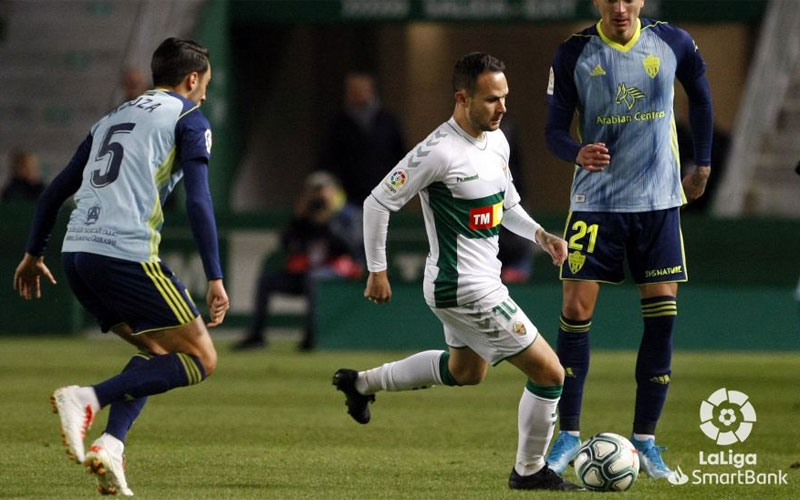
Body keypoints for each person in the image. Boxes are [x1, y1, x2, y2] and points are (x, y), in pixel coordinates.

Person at [332, 52, 580, 492]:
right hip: (464, 287)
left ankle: (361, 383)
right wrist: (377, 270)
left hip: (473, 283)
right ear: (462, 99)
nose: (502, 108)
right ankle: (529, 471)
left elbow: (508, 206)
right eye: (491, 100)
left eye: (504, 97)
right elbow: (377, 202)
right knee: (551, 374)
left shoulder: (497, 140)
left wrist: (541, 235)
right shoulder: (438, 151)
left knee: (467, 371)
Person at [13, 37, 228, 496]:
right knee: (202, 359)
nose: (205, 93)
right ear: (192, 79)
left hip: (77, 257)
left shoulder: (111, 118)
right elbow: (199, 199)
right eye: (205, 84)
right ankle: (87, 398)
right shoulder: (189, 117)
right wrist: (215, 275)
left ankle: (111, 444)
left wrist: (33, 253)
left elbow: (54, 192)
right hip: (126, 255)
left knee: (161, 354)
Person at [543, 0, 713, 480]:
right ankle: (569, 436)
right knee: (576, 313)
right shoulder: (572, 52)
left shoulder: (673, 41)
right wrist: (577, 151)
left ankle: (646, 441)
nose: (620, 7)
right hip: (595, 203)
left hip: (658, 203)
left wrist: (703, 161)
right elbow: (552, 131)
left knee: (661, 319)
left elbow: (700, 96)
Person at [234, 171, 362, 352]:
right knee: (268, 280)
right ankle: (256, 336)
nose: (318, 198)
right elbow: (286, 242)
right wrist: (298, 218)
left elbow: (352, 247)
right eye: (313, 192)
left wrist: (328, 220)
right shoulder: (306, 214)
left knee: (313, 279)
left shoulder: (347, 214)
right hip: (307, 272)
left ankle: (311, 338)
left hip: (337, 273)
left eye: (321, 191)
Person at [317, 71, 406, 243]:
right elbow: (328, 162)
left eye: (361, 90)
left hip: (385, 198)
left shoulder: (388, 121)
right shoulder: (339, 124)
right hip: (349, 201)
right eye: (352, 90)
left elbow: (402, 161)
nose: (357, 95)